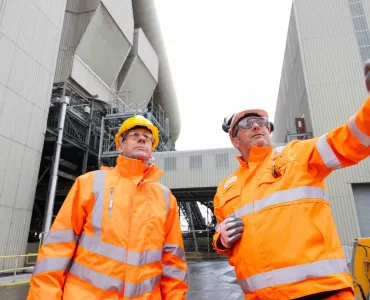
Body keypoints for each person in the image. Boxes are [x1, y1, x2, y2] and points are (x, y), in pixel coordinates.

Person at [212, 61, 370, 300]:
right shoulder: (225, 189)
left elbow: (349, 141)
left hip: (322, 292)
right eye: (245, 124)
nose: (256, 125)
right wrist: (221, 239)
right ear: (235, 141)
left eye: (262, 122)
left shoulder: (296, 154)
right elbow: (220, 233)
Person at [28, 115, 188, 299]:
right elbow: (57, 250)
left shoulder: (166, 198)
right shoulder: (89, 184)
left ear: (152, 150)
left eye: (148, 137)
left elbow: (173, 263)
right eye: (134, 134)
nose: (142, 138)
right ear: (120, 145)